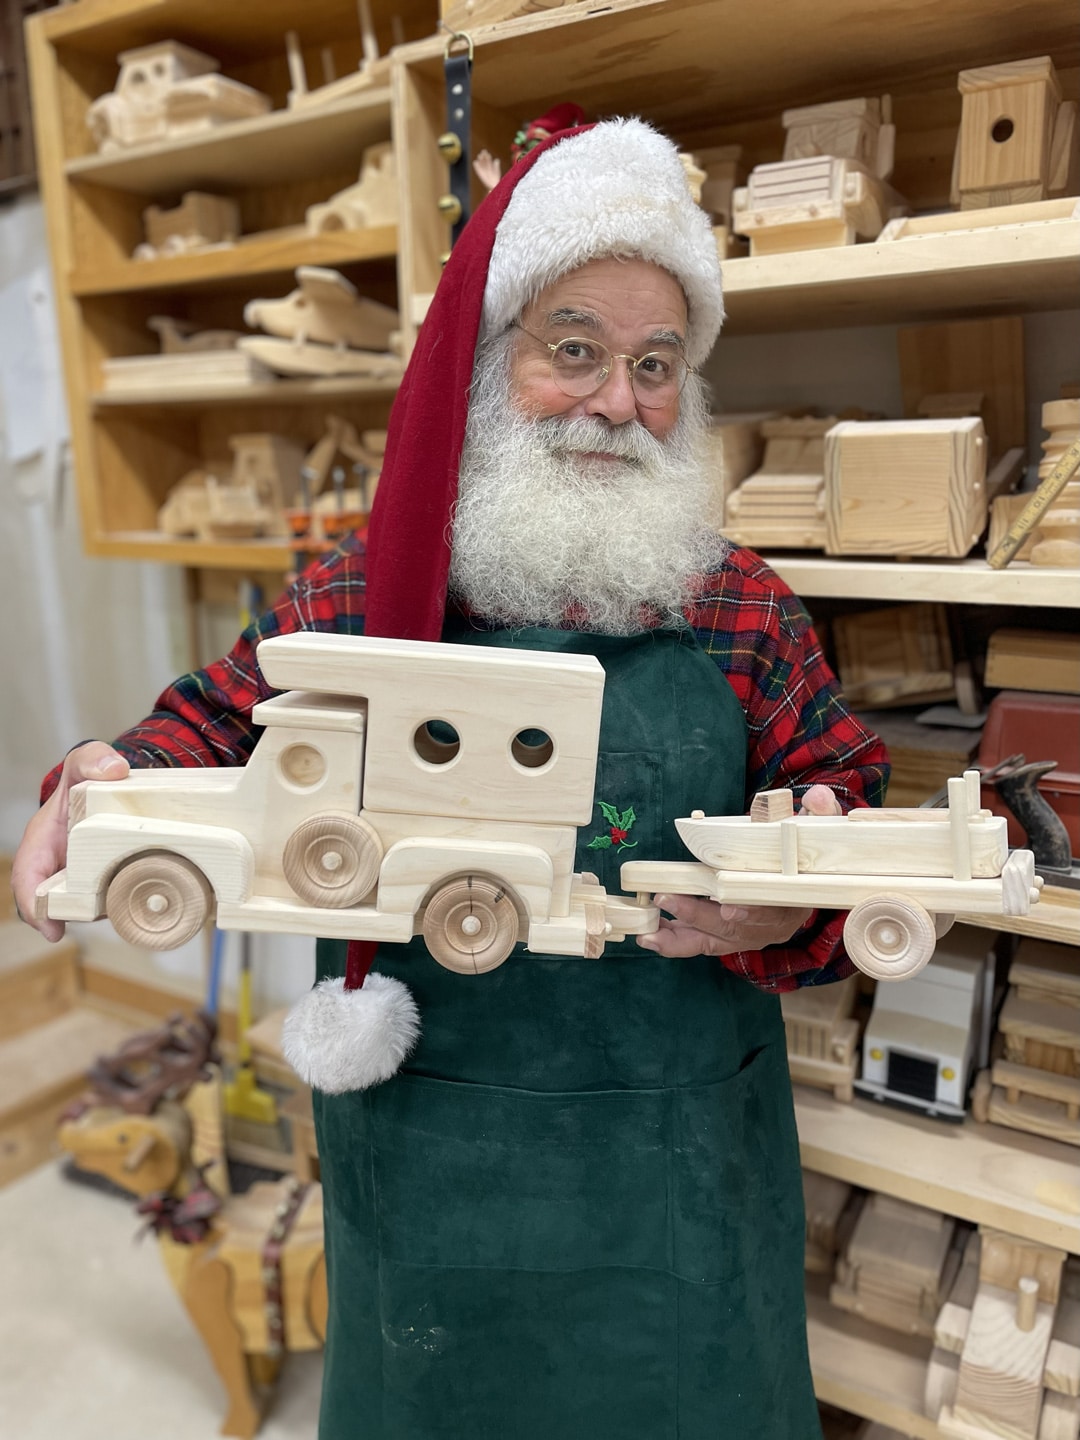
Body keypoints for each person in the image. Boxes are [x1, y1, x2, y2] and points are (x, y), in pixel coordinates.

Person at [14, 118, 888, 1439]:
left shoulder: (742, 610)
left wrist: (805, 890)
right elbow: (207, 726)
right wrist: (103, 782)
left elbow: (848, 803)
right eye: (574, 348)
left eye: (657, 366)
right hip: (429, 1171)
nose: (617, 402)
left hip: (679, 1180)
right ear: (487, 364)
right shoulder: (371, 588)